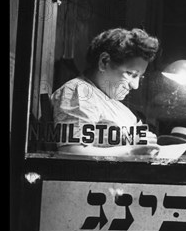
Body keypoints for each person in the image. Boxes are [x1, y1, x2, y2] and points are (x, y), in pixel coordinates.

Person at [51, 28, 161, 157]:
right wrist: (131, 150)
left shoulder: (116, 104)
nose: (135, 86)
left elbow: (139, 141)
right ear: (104, 61)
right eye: (130, 74)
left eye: (139, 77)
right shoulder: (79, 91)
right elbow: (71, 152)